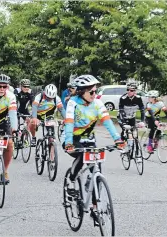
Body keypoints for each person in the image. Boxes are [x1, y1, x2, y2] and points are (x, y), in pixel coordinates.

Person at [63, 75, 125, 226]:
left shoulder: (97, 103)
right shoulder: (73, 103)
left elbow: (108, 122)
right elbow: (69, 123)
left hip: (89, 140)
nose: (94, 95)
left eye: (95, 92)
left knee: (96, 171)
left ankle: (95, 209)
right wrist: (69, 142)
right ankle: (71, 181)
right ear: (81, 92)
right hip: (73, 139)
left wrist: (117, 139)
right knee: (82, 156)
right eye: (91, 92)